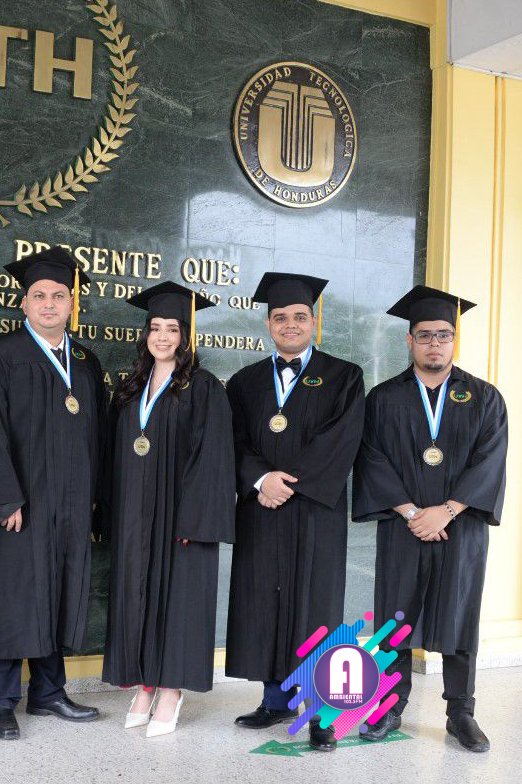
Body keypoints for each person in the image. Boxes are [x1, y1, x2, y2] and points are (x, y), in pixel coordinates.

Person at [353, 286, 507, 753]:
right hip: (404, 526)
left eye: (443, 334)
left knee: (460, 614)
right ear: (409, 340)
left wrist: (448, 510)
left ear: (454, 339)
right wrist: (412, 512)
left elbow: (490, 461)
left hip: (462, 528)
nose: (434, 343)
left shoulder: (484, 397)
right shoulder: (383, 398)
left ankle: (461, 712)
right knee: (395, 619)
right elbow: (371, 458)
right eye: (424, 335)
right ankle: (388, 705)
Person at [0, 247, 106, 740]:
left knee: (57, 592)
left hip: (69, 504)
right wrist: (3, 498)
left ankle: (49, 692)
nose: (49, 303)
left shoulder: (85, 361)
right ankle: (0, 701)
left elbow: (99, 434)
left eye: (59, 295)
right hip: (19, 504)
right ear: (23, 303)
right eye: (39, 295)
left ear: (72, 303)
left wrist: (93, 496)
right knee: (11, 597)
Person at [225, 272, 364, 752]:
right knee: (264, 602)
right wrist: (261, 479)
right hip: (261, 509)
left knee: (316, 608)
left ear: (314, 322)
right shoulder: (243, 382)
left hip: (314, 511)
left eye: (299, 316)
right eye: (280, 317)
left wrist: (285, 484)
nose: (290, 324)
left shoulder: (345, 376)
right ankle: (275, 701)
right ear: (268, 324)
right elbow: (233, 440)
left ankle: (322, 714)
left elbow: (340, 440)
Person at [102, 282, 235, 737]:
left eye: (172, 329)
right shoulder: (130, 387)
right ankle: (144, 684)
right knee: (137, 597)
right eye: (155, 327)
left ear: (185, 336)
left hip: (181, 517)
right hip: (134, 515)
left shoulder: (203, 388)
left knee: (178, 602)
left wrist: (196, 519)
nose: (162, 336)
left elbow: (213, 457)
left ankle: (172, 690)